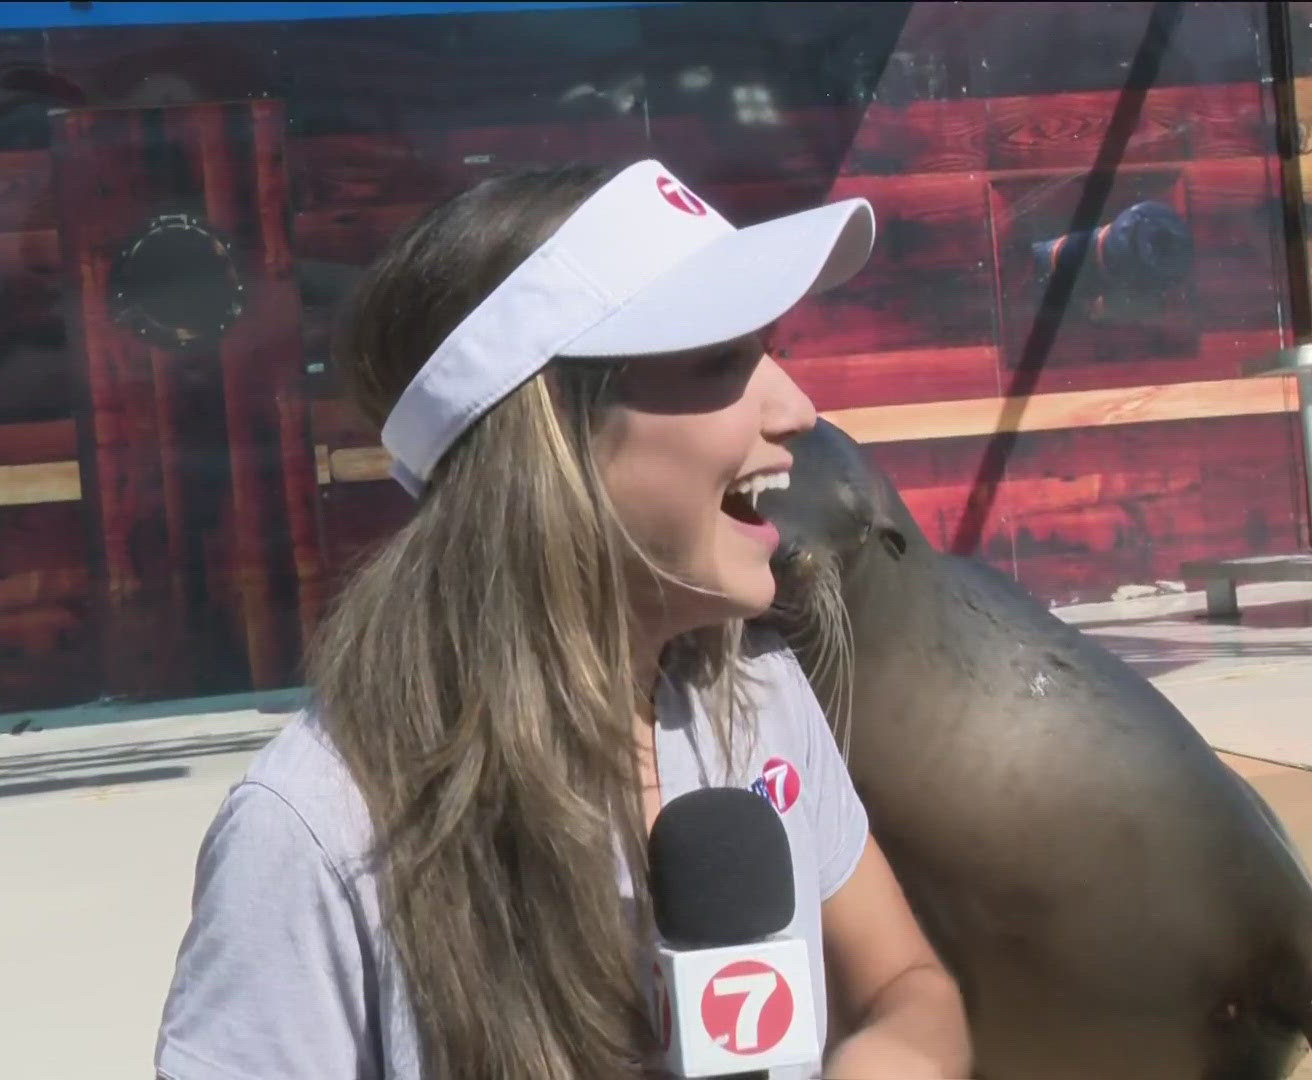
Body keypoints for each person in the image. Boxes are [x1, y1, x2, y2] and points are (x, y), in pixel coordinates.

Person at [154, 159, 971, 1080]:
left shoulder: (758, 691)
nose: (797, 408)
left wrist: (887, 1061)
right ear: (547, 445)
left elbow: (907, 986)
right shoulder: (315, 829)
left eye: (771, 351)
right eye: (721, 360)